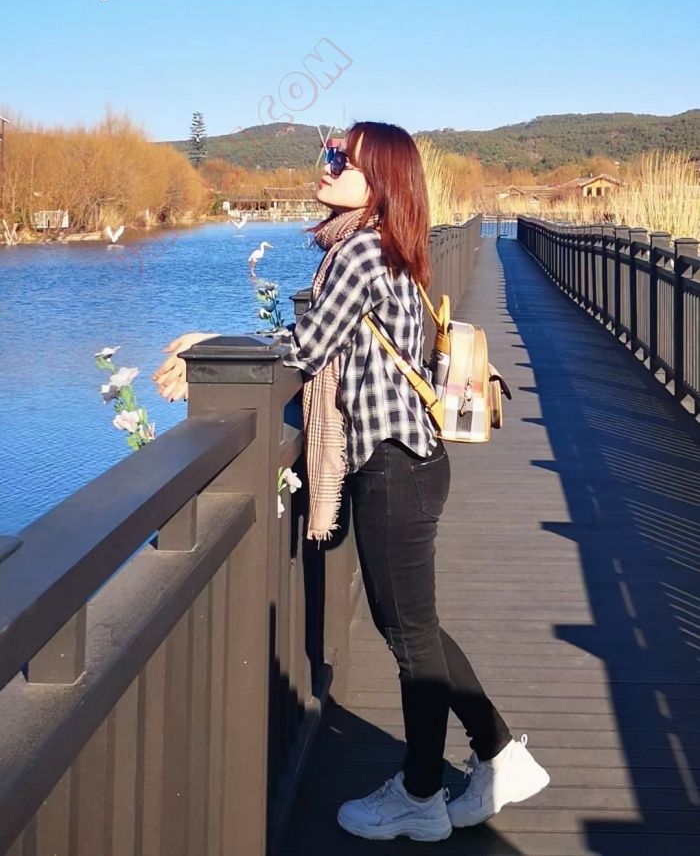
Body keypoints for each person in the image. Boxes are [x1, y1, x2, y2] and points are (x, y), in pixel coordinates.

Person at [152, 121, 550, 842]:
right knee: (414, 628)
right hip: (411, 462)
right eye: (328, 153)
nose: (327, 165)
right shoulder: (382, 246)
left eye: (343, 159)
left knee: (409, 637)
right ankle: (496, 754)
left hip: (395, 465)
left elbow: (307, 347)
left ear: (380, 183)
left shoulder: (361, 251)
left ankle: (422, 796)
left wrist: (210, 346)